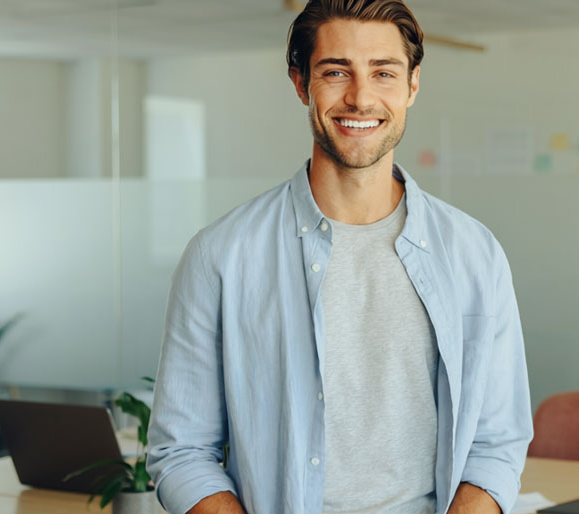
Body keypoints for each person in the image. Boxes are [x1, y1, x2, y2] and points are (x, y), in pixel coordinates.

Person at [146, 1, 532, 513]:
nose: (361, 97)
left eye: (383, 72)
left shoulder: (475, 252)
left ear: (412, 85)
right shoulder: (221, 255)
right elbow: (181, 452)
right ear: (301, 84)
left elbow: (496, 443)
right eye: (335, 71)